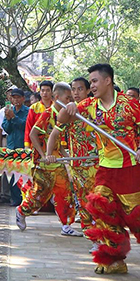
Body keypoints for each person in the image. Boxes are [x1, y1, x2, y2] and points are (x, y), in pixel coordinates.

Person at [73, 64, 140, 275]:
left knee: (137, 216)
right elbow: (62, 119)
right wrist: (68, 109)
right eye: (91, 82)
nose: (92, 85)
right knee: (104, 212)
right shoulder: (89, 105)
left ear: (108, 81)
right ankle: (115, 258)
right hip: (105, 169)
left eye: (95, 81)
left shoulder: (130, 104)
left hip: (130, 168)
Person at [17, 82, 79, 237]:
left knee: (64, 193)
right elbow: (32, 134)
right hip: (43, 163)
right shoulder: (47, 114)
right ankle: (21, 211)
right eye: (67, 98)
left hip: (57, 162)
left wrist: (67, 158)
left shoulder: (63, 116)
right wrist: (44, 155)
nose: (69, 101)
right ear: (57, 97)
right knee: (39, 195)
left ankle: (66, 225)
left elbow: (58, 142)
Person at [50, 76, 98, 240]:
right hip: (79, 165)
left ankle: (104, 234)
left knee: (100, 201)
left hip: (100, 163)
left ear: (88, 90)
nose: (76, 93)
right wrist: (49, 155)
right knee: (84, 202)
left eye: (80, 89)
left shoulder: (97, 107)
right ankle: (92, 236)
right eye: (74, 89)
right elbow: (55, 134)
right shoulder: (68, 111)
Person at [1, 87, 30, 207]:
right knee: (12, 173)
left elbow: (26, 125)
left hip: (22, 146)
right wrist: (8, 119)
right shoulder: (9, 110)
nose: (16, 100)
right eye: (14, 97)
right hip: (11, 146)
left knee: (23, 173)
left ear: (23, 98)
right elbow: (6, 128)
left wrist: (13, 117)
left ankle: (24, 198)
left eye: (18, 97)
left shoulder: (27, 111)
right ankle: (14, 199)